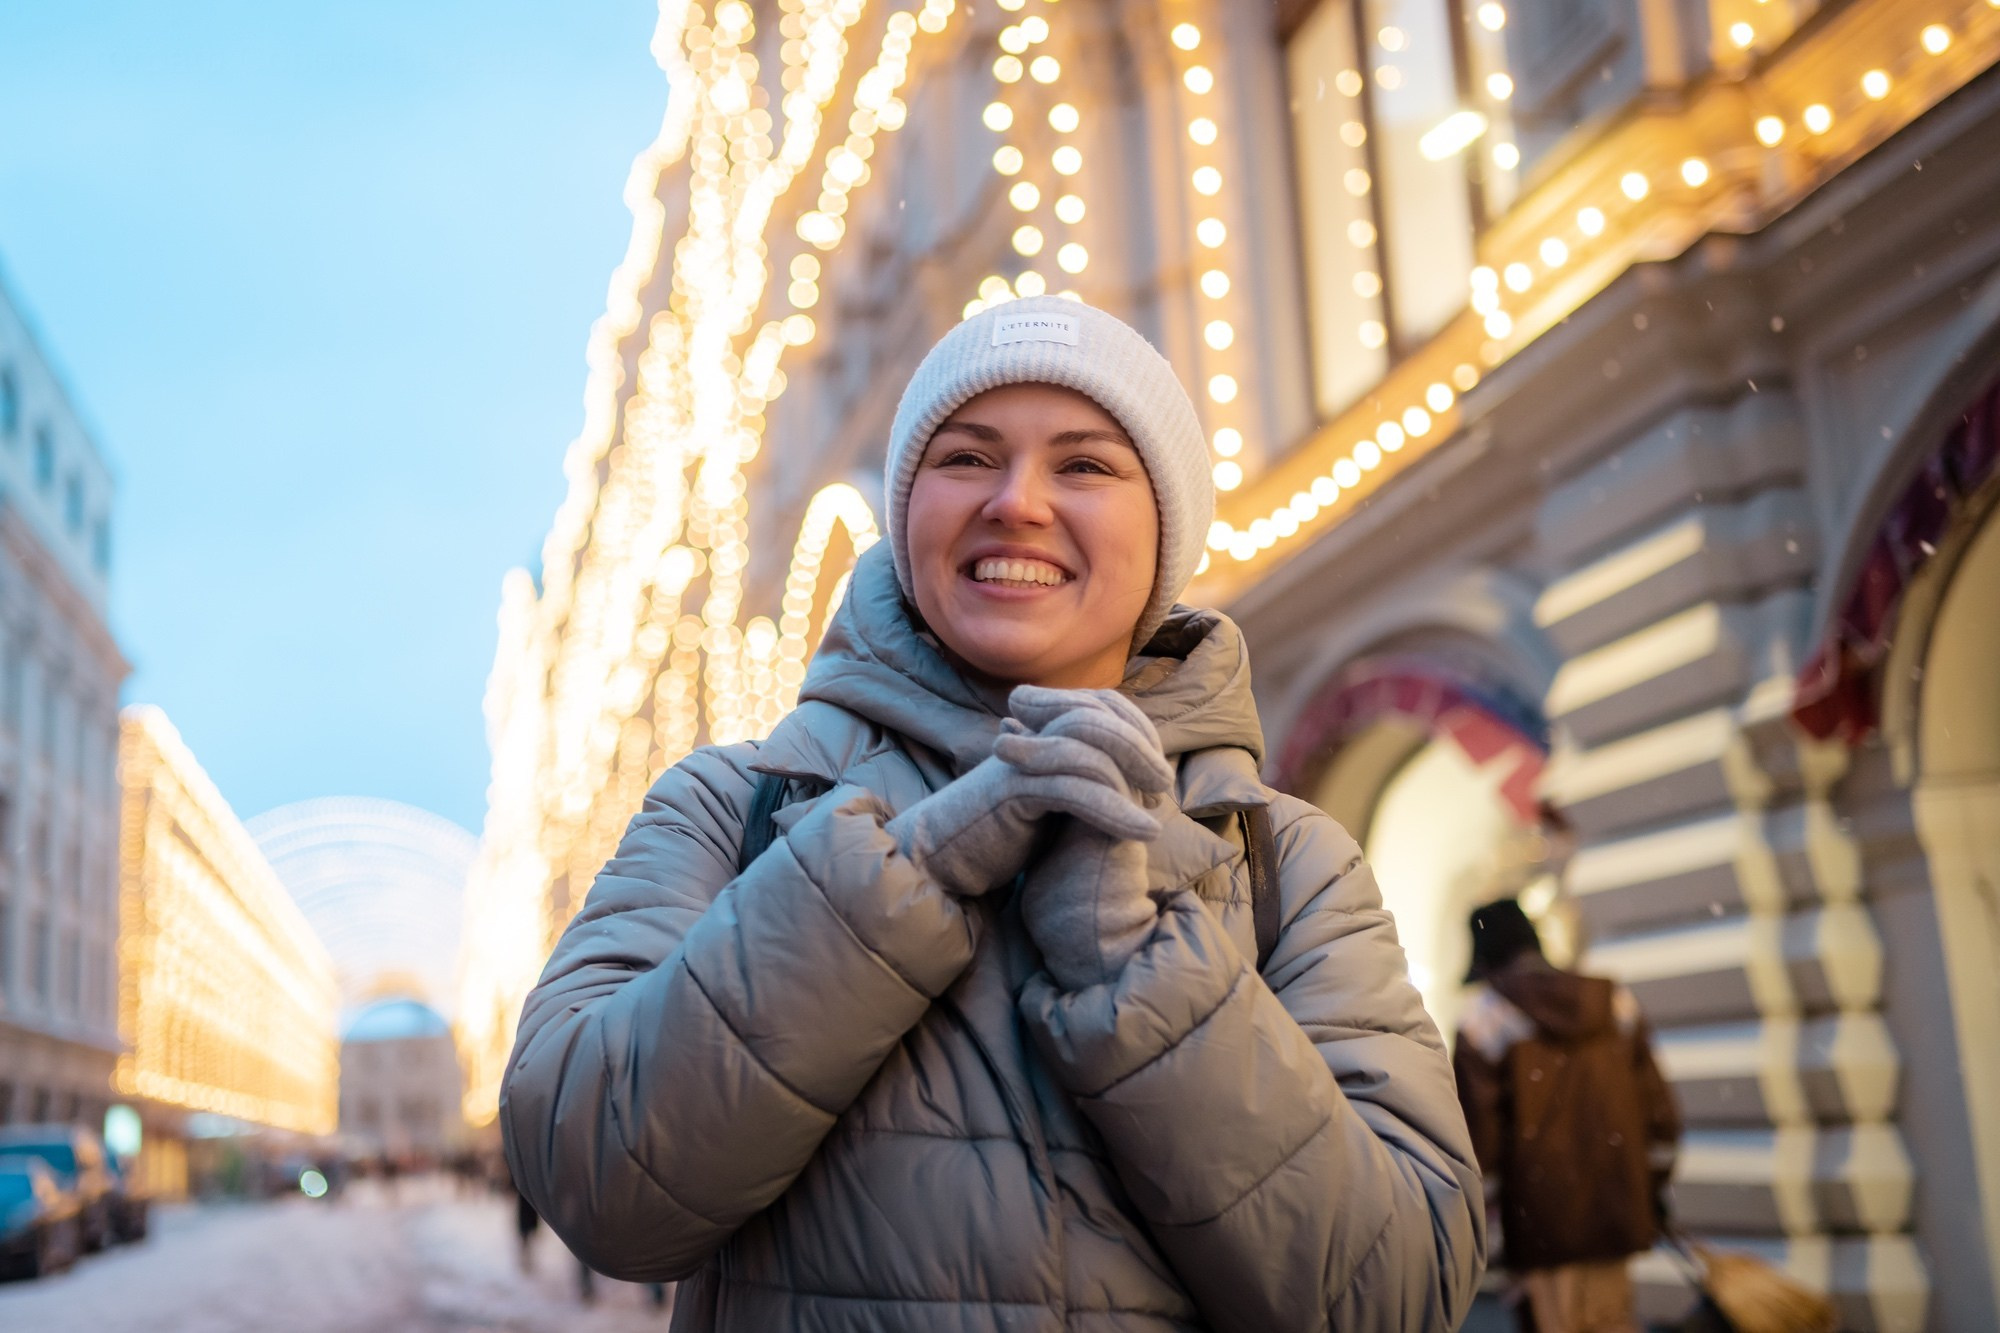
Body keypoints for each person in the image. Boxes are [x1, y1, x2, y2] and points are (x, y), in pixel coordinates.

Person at [502, 296, 1484, 1331]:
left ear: (1166, 530)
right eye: (966, 457)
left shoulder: (1288, 859)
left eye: (1085, 464)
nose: (1016, 502)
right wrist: (905, 875)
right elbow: (592, 1180)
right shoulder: (730, 805)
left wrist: (1135, 964)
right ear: (905, 515)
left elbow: (1399, 1292)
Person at [1452, 899, 1681, 1333]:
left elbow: (1478, 1142)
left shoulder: (1483, 1020)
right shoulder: (1614, 1003)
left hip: (1540, 1226)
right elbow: (1661, 1114)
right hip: (1616, 1210)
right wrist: (1652, 1187)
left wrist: (1485, 1226)